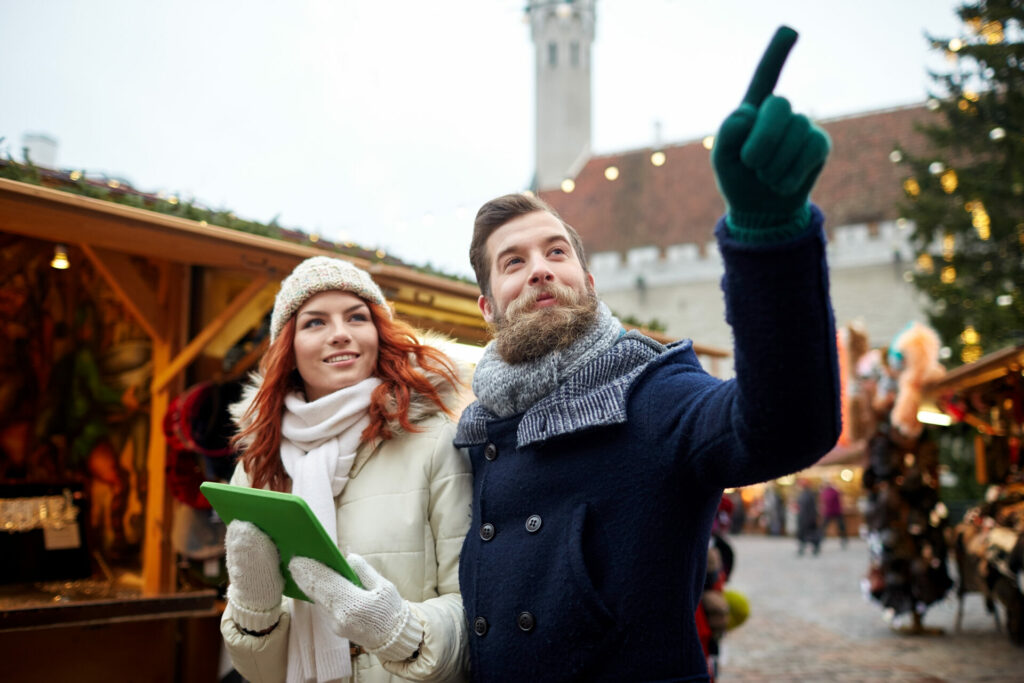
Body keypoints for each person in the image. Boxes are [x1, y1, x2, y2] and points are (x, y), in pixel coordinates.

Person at [454, 27, 840, 680]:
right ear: (487, 307)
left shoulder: (651, 392)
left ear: (589, 281)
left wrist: (769, 239)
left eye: (556, 252)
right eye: (513, 262)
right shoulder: (476, 430)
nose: (541, 270)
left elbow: (786, 427)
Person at [219, 256, 471, 683]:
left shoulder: (435, 441)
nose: (340, 335)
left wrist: (398, 632)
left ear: (377, 333)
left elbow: (477, 609)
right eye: (315, 323)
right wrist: (253, 609)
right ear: (289, 348)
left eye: (356, 317)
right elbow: (261, 673)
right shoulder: (258, 465)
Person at [796, 479, 822, 556]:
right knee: (804, 534)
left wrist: (813, 517)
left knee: (810, 534)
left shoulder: (809, 494)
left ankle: (814, 547)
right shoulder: (803, 494)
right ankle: (802, 548)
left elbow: (812, 507)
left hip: (808, 518)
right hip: (803, 517)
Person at [820, 478, 848, 547]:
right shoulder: (834, 491)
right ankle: (843, 539)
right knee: (841, 526)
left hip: (830, 511)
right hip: (835, 511)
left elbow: (824, 501)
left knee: (824, 526)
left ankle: (820, 538)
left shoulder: (825, 492)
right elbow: (841, 494)